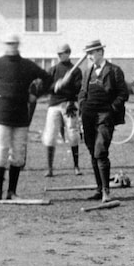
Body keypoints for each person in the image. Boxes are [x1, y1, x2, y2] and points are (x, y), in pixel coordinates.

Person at [0, 34, 51, 200]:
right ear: (4, 45)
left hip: (21, 116)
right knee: (0, 152)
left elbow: (48, 78)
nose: (11, 46)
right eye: (8, 43)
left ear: (18, 45)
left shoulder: (27, 65)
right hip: (1, 116)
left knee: (18, 155)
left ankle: (12, 191)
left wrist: (36, 95)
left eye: (14, 43)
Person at [77, 40, 129, 203]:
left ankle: (107, 191)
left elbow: (123, 94)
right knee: (93, 151)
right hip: (88, 116)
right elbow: (82, 92)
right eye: (88, 53)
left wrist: (112, 109)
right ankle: (99, 190)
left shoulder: (114, 70)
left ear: (100, 52)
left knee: (100, 151)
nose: (90, 56)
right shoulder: (87, 71)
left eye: (92, 53)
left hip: (105, 116)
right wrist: (81, 108)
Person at [41, 43, 83, 177]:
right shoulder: (53, 69)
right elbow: (45, 87)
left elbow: (78, 89)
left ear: (68, 53)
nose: (60, 56)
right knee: (50, 135)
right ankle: (49, 168)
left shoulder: (76, 70)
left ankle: (76, 166)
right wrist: (56, 85)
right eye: (58, 54)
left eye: (62, 53)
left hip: (69, 105)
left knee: (73, 134)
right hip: (54, 105)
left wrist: (72, 100)